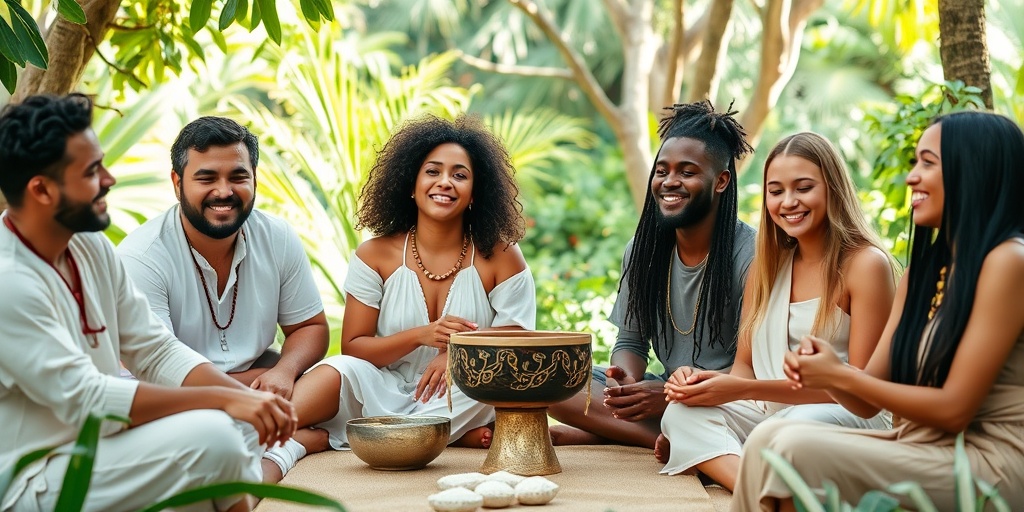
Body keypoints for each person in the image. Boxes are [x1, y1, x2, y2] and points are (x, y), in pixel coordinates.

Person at [0, 95, 298, 512]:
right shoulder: (9, 283)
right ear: (42, 190)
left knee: (226, 432)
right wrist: (227, 399)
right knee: (214, 439)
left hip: (103, 451)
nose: (109, 178)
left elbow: (154, 349)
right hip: (32, 479)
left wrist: (245, 400)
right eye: (91, 171)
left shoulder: (88, 246)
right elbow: (88, 399)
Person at [732, 111, 1024, 511]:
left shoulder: (1009, 261)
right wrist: (830, 375)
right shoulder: (926, 273)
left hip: (986, 461)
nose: (912, 177)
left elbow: (955, 410)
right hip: (920, 446)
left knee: (789, 449)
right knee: (769, 440)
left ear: (973, 170)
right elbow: (867, 400)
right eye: (914, 163)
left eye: (928, 163)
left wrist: (839, 374)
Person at [260, 114, 536, 478]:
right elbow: (355, 346)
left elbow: (519, 336)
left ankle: (345, 435)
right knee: (341, 369)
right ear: (411, 184)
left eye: (460, 175)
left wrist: (459, 352)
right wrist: (422, 335)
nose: (445, 183)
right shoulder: (374, 255)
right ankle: (446, 437)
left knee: (499, 388)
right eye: (432, 171)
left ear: (474, 192)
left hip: (461, 392)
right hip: (382, 387)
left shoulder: (500, 255)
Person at [658, 132, 897, 491]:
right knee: (679, 413)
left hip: (844, 416)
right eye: (776, 191)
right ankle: (753, 490)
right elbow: (745, 366)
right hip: (772, 413)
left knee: (780, 432)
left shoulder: (865, 264)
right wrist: (703, 384)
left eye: (803, 188)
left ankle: (731, 467)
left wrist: (741, 391)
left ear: (832, 189)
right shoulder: (767, 266)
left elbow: (865, 392)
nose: (788, 202)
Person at [117, 117, 330, 482]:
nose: (223, 191)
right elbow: (159, 370)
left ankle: (265, 434)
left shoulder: (276, 236)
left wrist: (283, 371)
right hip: (179, 400)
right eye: (206, 178)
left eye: (237, 177)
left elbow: (310, 327)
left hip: (265, 388)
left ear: (254, 180)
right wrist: (254, 385)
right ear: (176, 182)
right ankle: (287, 443)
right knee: (199, 432)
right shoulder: (140, 256)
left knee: (344, 376)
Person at [548, 100, 757, 450]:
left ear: (720, 181)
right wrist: (625, 381)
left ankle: (650, 434)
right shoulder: (642, 250)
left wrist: (673, 395)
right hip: (664, 393)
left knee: (690, 412)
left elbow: (753, 372)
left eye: (687, 172)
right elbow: (630, 342)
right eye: (662, 171)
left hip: (730, 400)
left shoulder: (751, 253)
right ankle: (662, 436)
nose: (669, 182)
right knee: (553, 383)